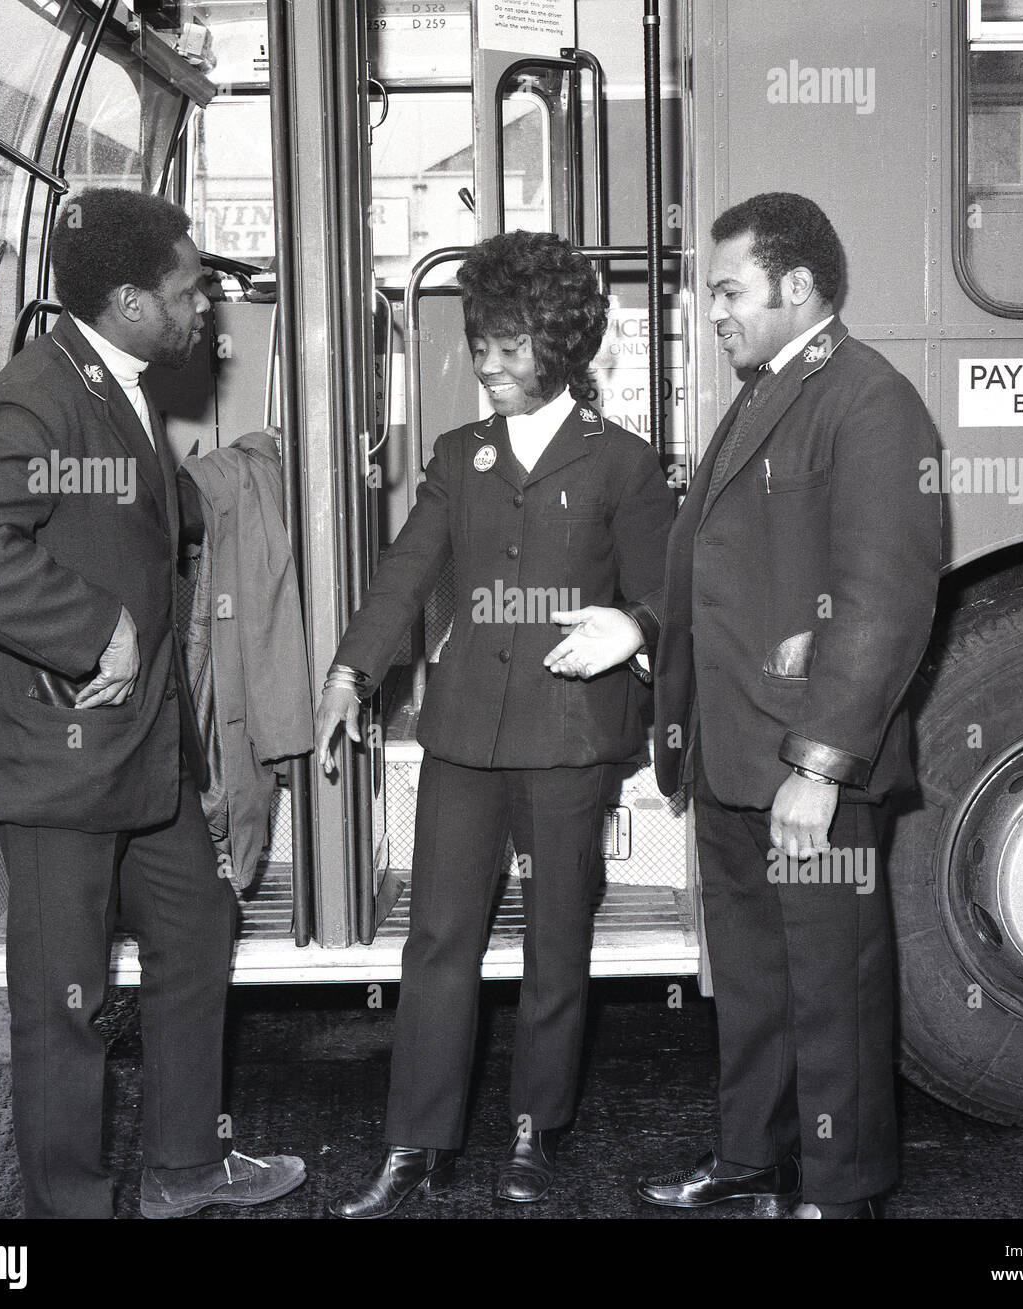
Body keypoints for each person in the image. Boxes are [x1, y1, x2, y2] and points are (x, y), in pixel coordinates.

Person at [545, 193, 942, 1219]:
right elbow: (715, 568)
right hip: (731, 755)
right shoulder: (767, 391)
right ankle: (752, 1160)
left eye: (728, 289)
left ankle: (841, 1190)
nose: (712, 310)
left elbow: (881, 598)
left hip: (802, 764)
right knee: (757, 983)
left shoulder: (868, 399)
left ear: (795, 285)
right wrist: (641, 630)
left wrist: (820, 766)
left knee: (832, 991)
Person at [0, 188, 305, 1219]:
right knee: (66, 1007)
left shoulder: (115, 380)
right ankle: (69, 1210)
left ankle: (183, 1164)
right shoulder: (40, 391)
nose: (203, 313)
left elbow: (120, 510)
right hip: (62, 759)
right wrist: (101, 628)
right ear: (131, 299)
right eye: (187, 294)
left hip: (138, 753)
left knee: (196, 924)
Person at [315, 230, 674, 1216]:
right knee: (437, 940)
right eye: (481, 339)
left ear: (561, 345)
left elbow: (668, 590)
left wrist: (631, 628)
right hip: (465, 734)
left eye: (512, 344)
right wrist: (352, 668)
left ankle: (534, 1130)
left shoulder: (623, 464)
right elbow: (405, 572)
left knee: (556, 939)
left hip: (569, 738)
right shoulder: (456, 456)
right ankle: (414, 1142)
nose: (490, 360)